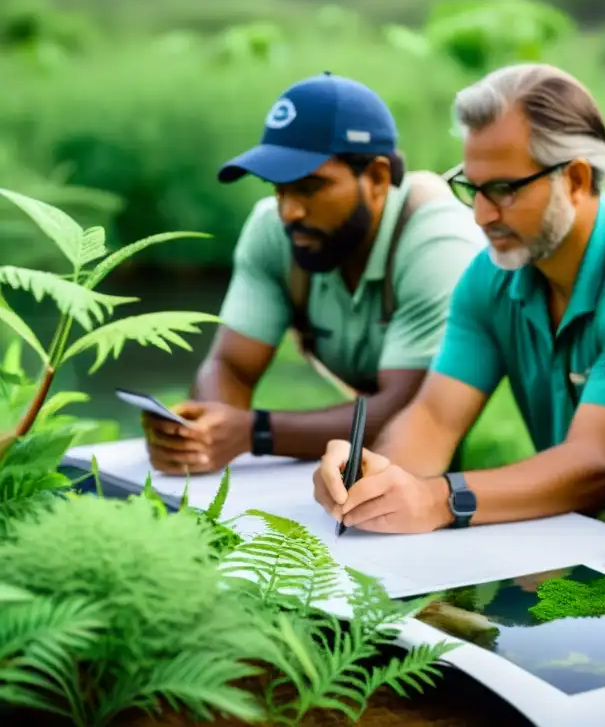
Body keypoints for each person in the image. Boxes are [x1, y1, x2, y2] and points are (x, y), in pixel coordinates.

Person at [311, 63, 605, 534]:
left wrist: (438, 499)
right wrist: (375, 478)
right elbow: (435, 417)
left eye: (502, 190)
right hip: (575, 527)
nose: (480, 215)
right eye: (472, 187)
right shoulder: (491, 274)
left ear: (576, 180)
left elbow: (595, 465)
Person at [141, 73, 486, 475]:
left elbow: (411, 413)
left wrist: (253, 433)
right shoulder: (273, 230)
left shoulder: (439, 243)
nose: (289, 212)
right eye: (278, 188)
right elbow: (231, 366)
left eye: (309, 187)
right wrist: (205, 430)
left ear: (375, 179)